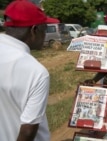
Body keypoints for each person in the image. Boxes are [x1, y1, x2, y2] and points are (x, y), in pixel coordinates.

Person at [0, 0, 59, 141]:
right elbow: (27, 131)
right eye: (44, 29)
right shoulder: (36, 72)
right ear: (34, 30)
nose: (44, 35)